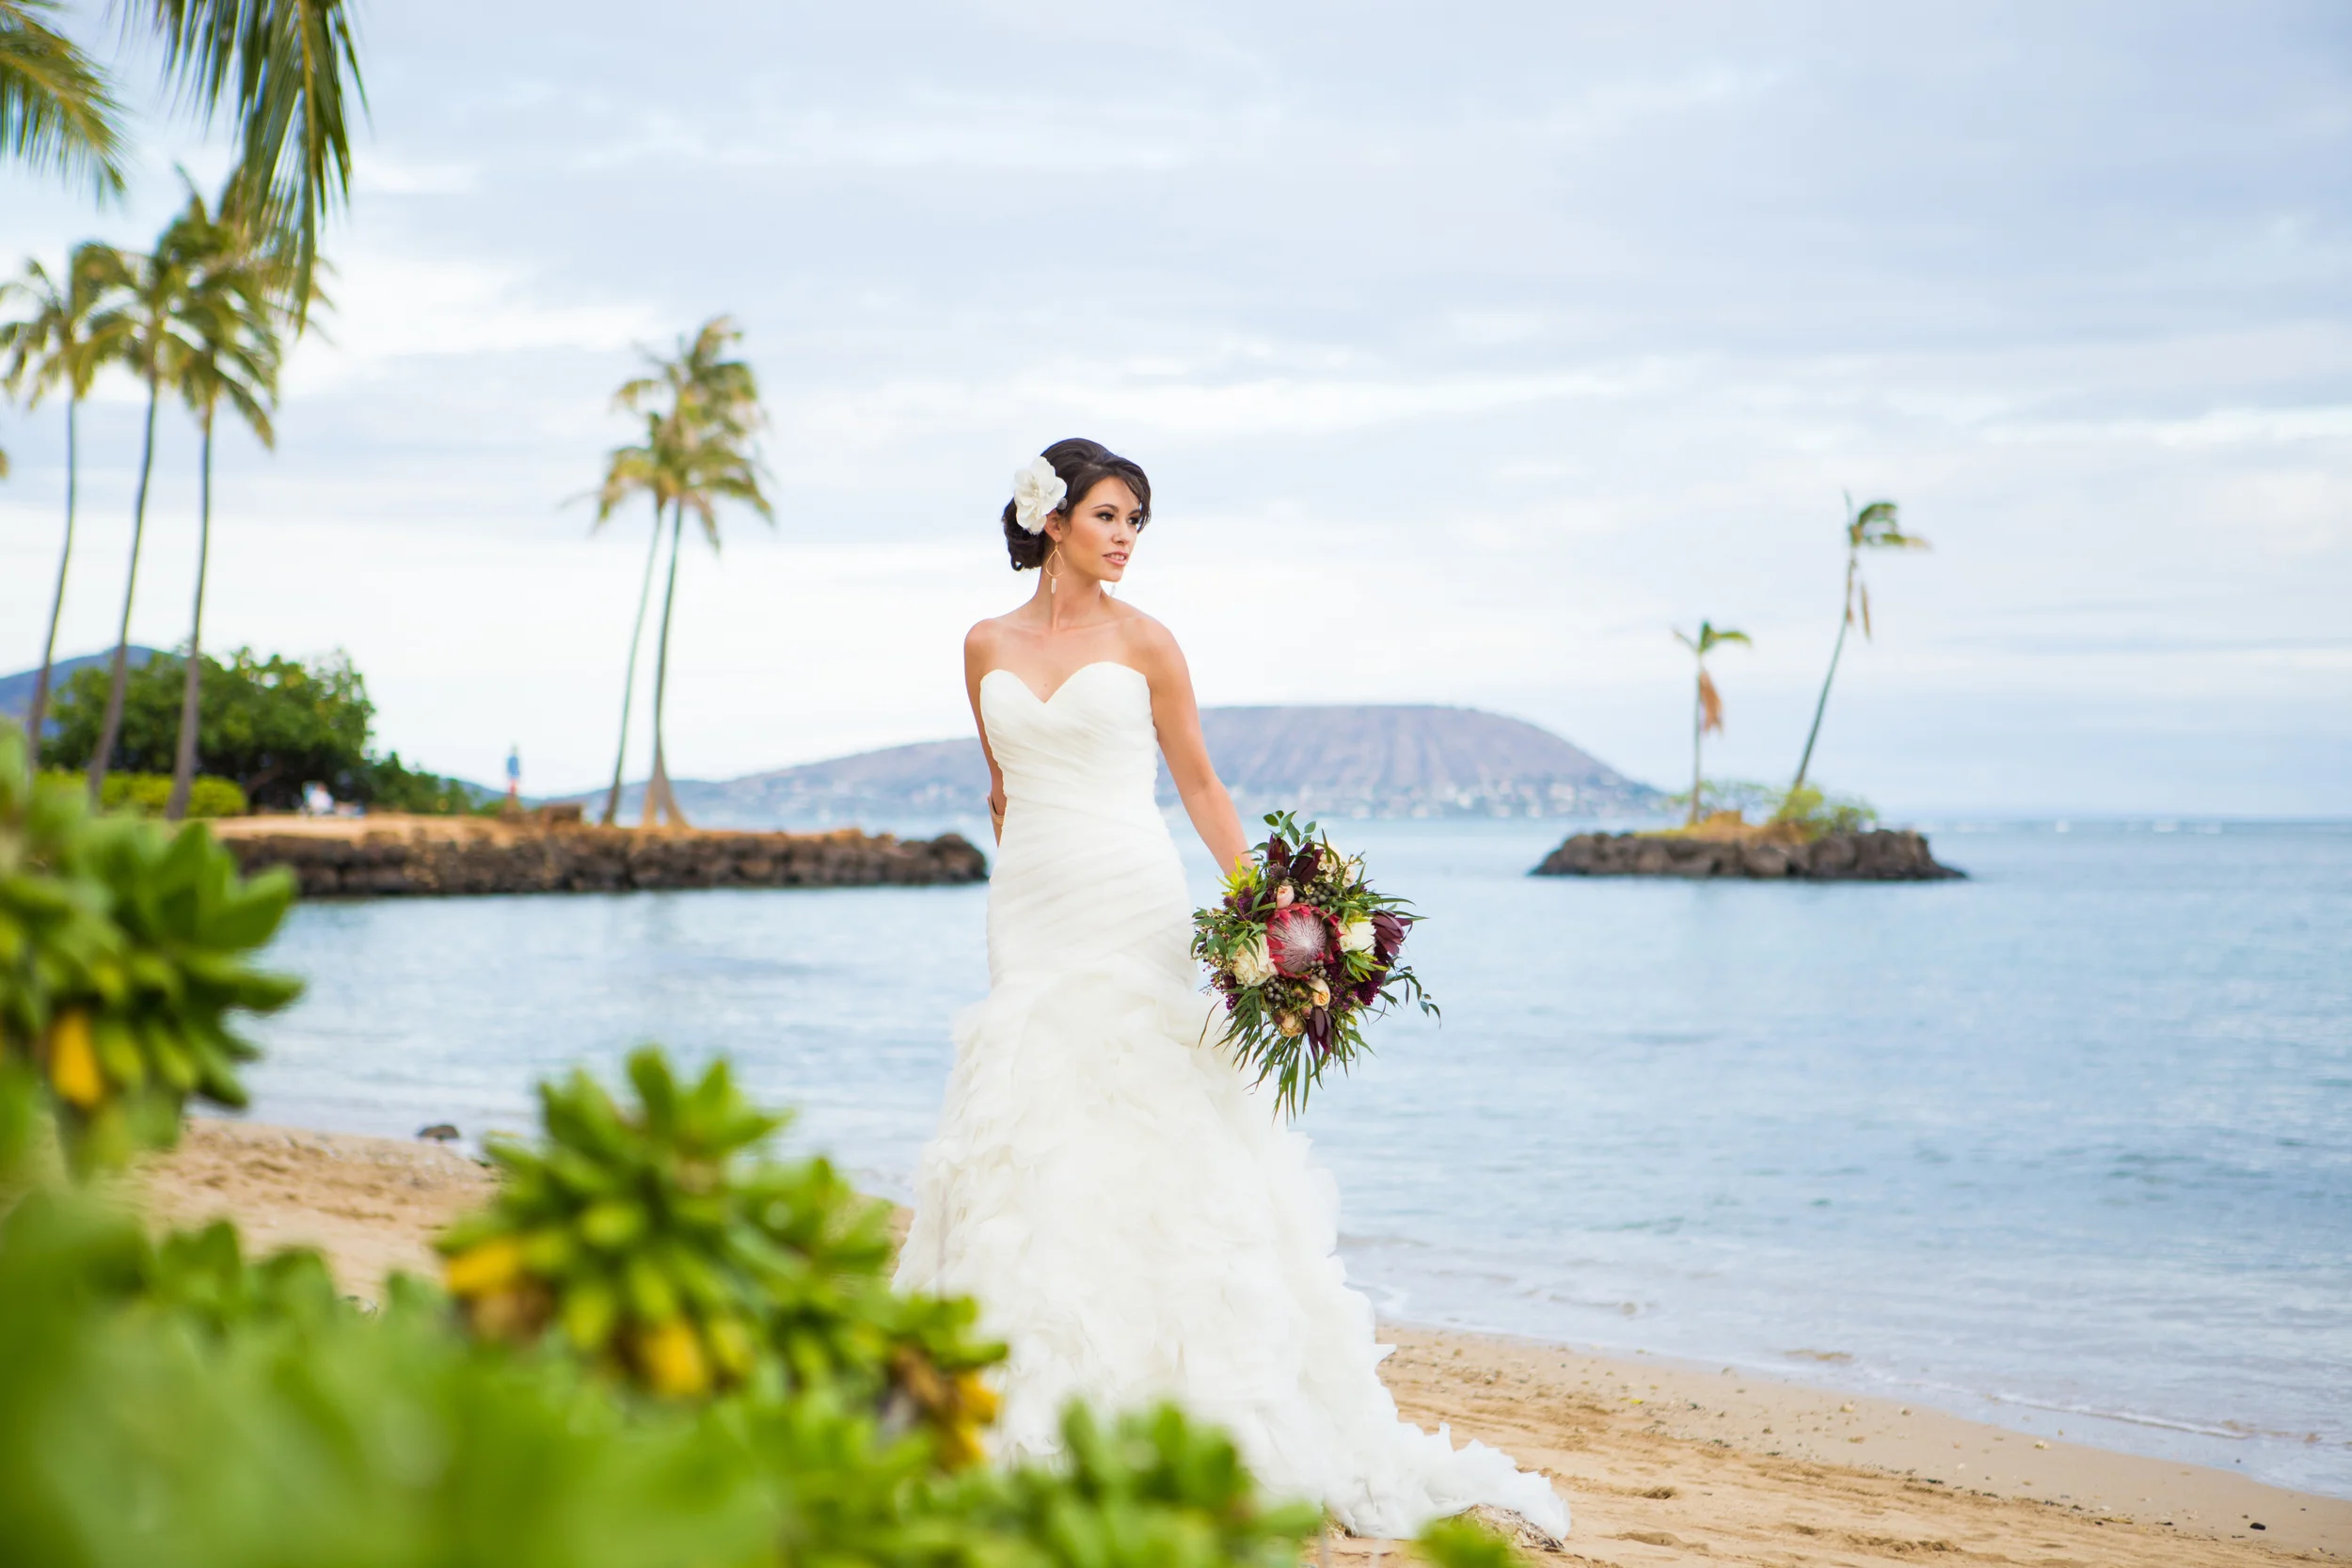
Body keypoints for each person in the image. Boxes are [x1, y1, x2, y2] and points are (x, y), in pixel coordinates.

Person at [898, 438, 1568, 1541]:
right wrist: (1023, 891)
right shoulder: (983, 644)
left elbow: (1202, 785)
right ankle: (1018, 1391)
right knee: (1026, 1122)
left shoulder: (1147, 641)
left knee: (1155, 1123)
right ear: (1051, 519)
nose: (1124, 537)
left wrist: (1275, 914)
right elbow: (1001, 788)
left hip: (1132, 893)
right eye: (1108, 514)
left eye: (1136, 521)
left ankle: (1173, 1398)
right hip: (1031, 907)